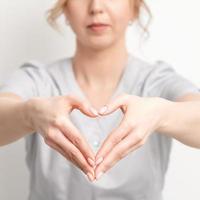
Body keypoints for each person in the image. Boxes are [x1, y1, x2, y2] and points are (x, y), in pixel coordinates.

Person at [0, 0, 200, 199]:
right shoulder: (39, 80)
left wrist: (162, 114)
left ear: (134, 8)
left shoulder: (156, 81)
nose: (96, 7)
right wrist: (28, 114)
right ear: (65, 10)